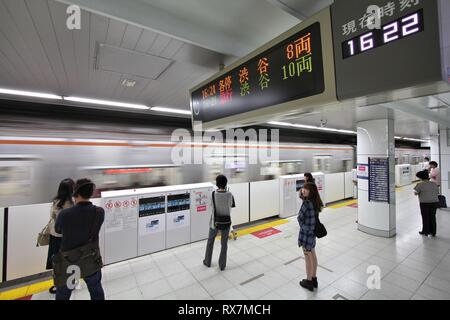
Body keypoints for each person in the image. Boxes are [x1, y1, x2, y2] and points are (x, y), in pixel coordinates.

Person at [54, 179, 105, 300]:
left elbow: (58, 230)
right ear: (91, 193)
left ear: (74, 193)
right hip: (91, 259)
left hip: (69, 262)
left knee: (64, 293)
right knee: (96, 290)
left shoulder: (64, 214)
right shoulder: (99, 212)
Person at [46, 178, 75, 294]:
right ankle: (72, 282)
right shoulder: (73, 202)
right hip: (69, 236)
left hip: (56, 236)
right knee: (71, 259)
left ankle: (58, 285)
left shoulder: (56, 202)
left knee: (57, 261)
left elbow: (52, 216)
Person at [203, 175, 235, 271]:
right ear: (225, 184)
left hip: (215, 222)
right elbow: (232, 205)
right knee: (224, 243)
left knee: (210, 241)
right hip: (226, 222)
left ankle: (207, 261)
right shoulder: (230, 194)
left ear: (217, 184)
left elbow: (211, 206)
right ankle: (222, 265)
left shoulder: (213, 194)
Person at [298, 182, 323, 292]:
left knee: (307, 258)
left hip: (306, 234)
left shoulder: (306, 204)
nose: (303, 190)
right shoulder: (316, 202)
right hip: (312, 234)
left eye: (306, 189)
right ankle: (314, 279)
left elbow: (299, 218)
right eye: (303, 188)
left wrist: (304, 228)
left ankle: (308, 282)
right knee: (313, 254)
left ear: (311, 191)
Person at [414, 170, 439, 237]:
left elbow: (415, 193)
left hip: (424, 203)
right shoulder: (434, 183)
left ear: (421, 177)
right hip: (434, 202)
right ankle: (433, 232)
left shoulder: (419, 184)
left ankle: (425, 231)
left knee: (425, 217)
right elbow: (437, 192)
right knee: (432, 217)